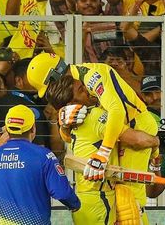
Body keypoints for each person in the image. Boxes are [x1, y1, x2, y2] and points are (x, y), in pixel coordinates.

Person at [27, 53, 158, 224]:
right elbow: (70, 138)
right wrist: (65, 126)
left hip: (135, 125)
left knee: (130, 196)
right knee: (122, 196)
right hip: (114, 132)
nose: (51, 91)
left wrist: (103, 152)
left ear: (54, 76)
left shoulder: (90, 78)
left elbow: (116, 111)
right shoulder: (75, 96)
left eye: (49, 86)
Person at [56, 78, 159, 224]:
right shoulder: (94, 116)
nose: (87, 91)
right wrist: (156, 141)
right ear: (72, 104)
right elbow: (137, 140)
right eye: (81, 90)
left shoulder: (74, 121)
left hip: (86, 197)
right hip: (99, 197)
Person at [0, 104, 80, 224]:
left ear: (7, 129)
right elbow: (62, 193)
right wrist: (75, 204)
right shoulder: (44, 156)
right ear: (33, 129)